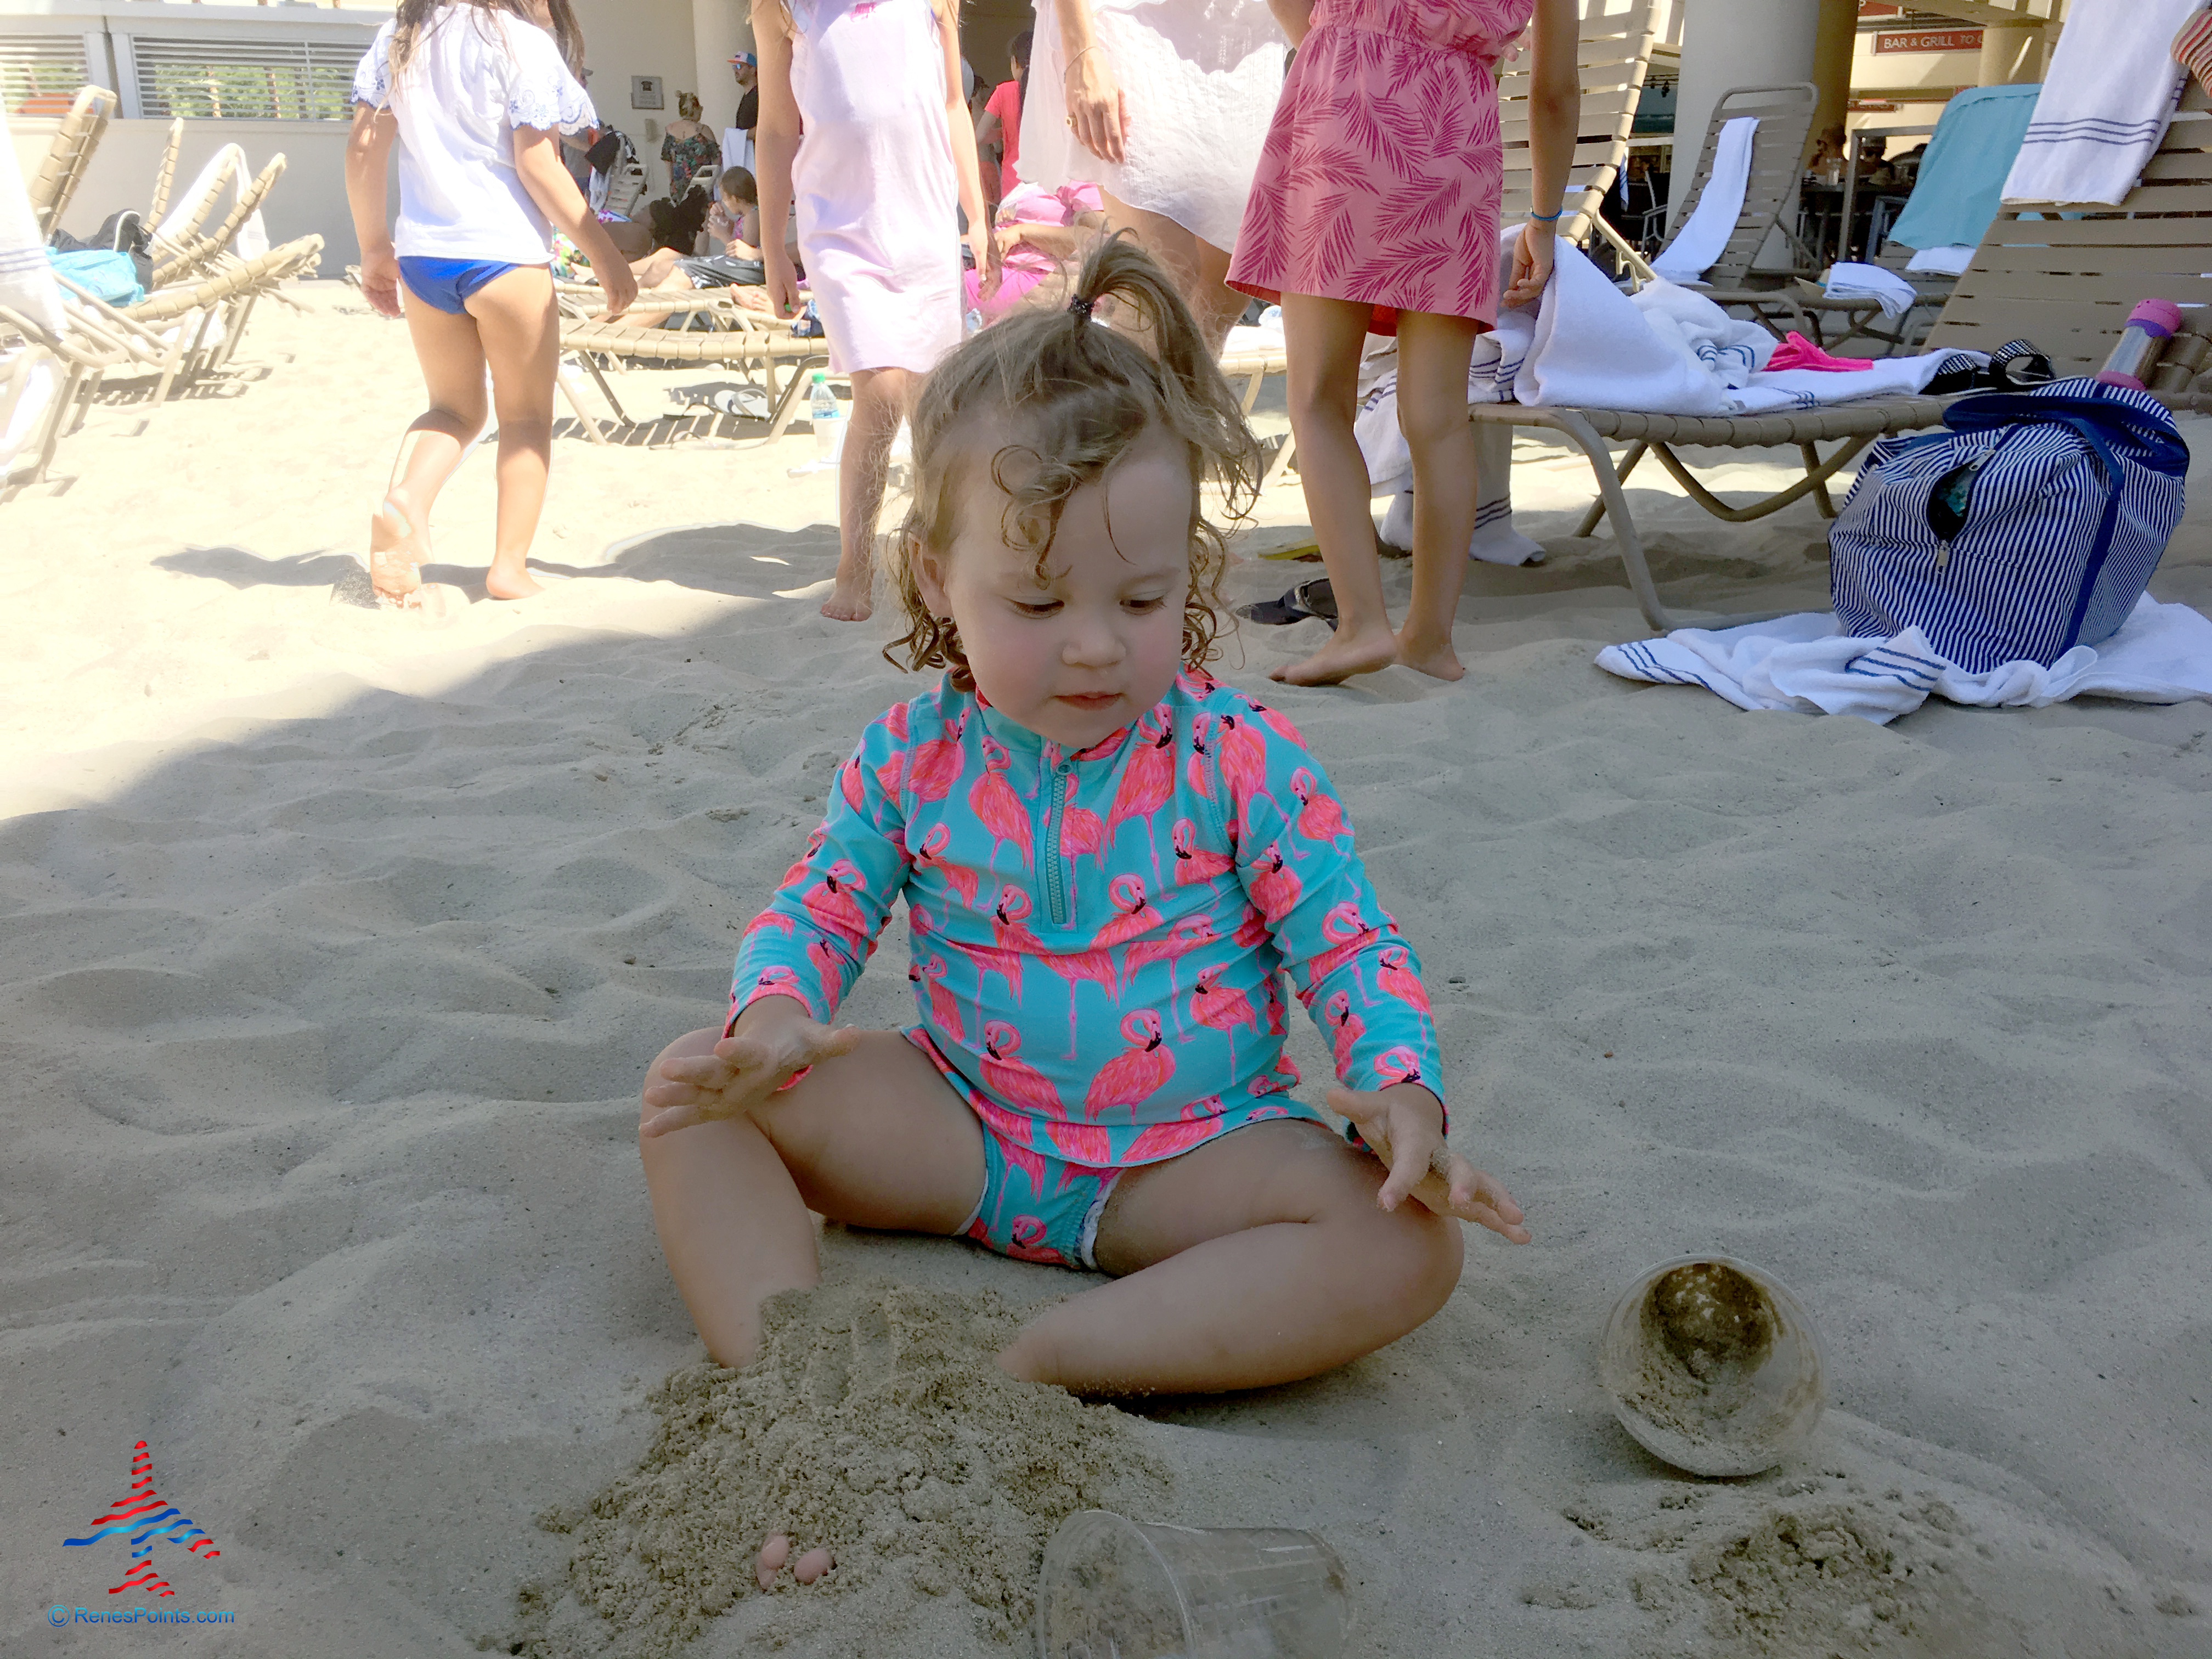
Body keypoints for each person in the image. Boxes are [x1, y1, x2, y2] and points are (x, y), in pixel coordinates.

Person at [637, 240, 1528, 1420]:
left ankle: (1039, 1364)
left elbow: (1348, 941)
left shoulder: (1239, 758)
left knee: (1409, 1244)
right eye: (1041, 602)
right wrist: (779, 1016)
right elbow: (821, 905)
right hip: (958, 1132)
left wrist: (1400, 1088)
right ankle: (787, 1373)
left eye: (1144, 599)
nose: (1099, 643)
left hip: (1194, 1160)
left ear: (1189, 573)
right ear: (938, 578)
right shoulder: (912, 756)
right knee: (690, 1091)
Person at [1225, 0, 1577, 686]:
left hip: (1342, 109)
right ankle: (1430, 640)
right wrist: (1542, 219)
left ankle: (1360, 625)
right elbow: (1556, 93)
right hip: (1456, 131)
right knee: (1437, 418)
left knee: (1320, 400)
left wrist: (1341, 38)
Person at [345, 0, 636, 609]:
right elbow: (538, 164)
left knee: (453, 410)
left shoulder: (401, 36)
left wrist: (375, 246)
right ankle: (507, 568)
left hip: (425, 257)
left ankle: (407, 502)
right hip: (505, 255)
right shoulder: (520, 42)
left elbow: (364, 147)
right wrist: (606, 255)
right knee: (526, 419)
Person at [752, 0, 992, 623]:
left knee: (931, 403)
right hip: (840, 227)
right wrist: (772, 246)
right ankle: (854, 562)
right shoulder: (784, 8)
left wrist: (978, 215)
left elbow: (950, 107)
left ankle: (943, 554)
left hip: (925, 222)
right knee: (881, 390)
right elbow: (778, 128)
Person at [1021, 0, 1288, 354]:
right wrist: (1081, 50)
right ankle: (1128, 406)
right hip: (1126, 22)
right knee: (1163, 274)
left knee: (1226, 281)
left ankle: (1175, 405)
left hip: (1243, 35)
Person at [624, 165, 776, 326]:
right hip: (721, 267)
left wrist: (722, 235)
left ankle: (629, 300)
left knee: (659, 268)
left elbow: (743, 257)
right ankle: (621, 273)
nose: (724, 203)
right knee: (666, 254)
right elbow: (740, 242)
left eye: (725, 199)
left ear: (735, 199)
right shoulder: (748, 216)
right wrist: (725, 221)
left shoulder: (753, 216)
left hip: (732, 273)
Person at [975, 30, 1031, 202]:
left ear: (1015, 62)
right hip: (1048, 183)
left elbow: (980, 136)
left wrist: (1005, 130)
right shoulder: (1052, 90)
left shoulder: (1003, 92)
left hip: (1013, 184)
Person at [661, 89, 720, 198]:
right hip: (702, 186)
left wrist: (671, 183)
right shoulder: (703, 130)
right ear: (696, 109)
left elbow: (667, 159)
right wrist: (714, 182)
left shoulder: (670, 129)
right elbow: (717, 157)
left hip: (679, 186)